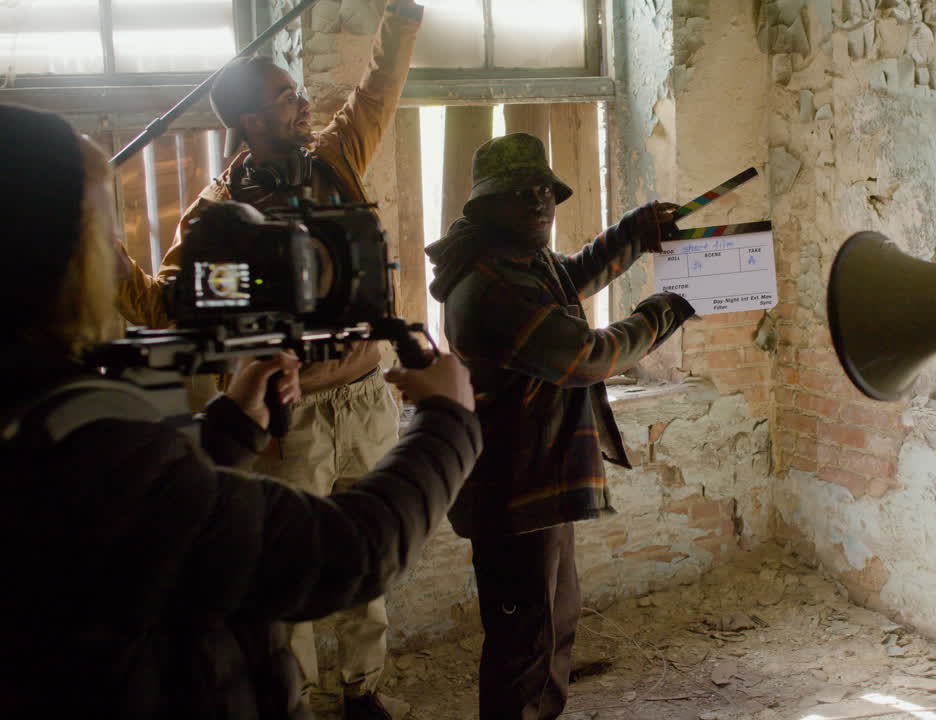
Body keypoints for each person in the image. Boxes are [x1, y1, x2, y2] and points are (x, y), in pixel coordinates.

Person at [0, 104, 480, 718]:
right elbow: (346, 555)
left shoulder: (38, 414)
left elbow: (155, 532)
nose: (114, 252)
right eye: (102, 229)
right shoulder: (76, 435)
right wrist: (448, 420)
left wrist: (226, 432)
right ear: (49, 253)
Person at [114, 2, 426, 715]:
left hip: (365, 395)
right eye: (287, 97)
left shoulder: (337, 162)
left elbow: (376, 91)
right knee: (292, 567)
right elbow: (164, 307)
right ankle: (301, 697)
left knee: (368, 557)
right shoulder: (214, 217)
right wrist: (104, 254)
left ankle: (362, 691)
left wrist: (402, 20)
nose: (304, 105)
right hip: (290, 413)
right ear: (251, 121)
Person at [426, 132, 697, 719]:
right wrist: (664, 310)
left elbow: (569, 278)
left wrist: (633, 232)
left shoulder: (512, 260)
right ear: (484, 206)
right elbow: (587, 357)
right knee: (525, 640)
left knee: (552, 623)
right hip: (514, 484)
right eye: (519, 192)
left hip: (538, 476)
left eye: (544, 189)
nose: (538, 201)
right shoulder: (490, 288)